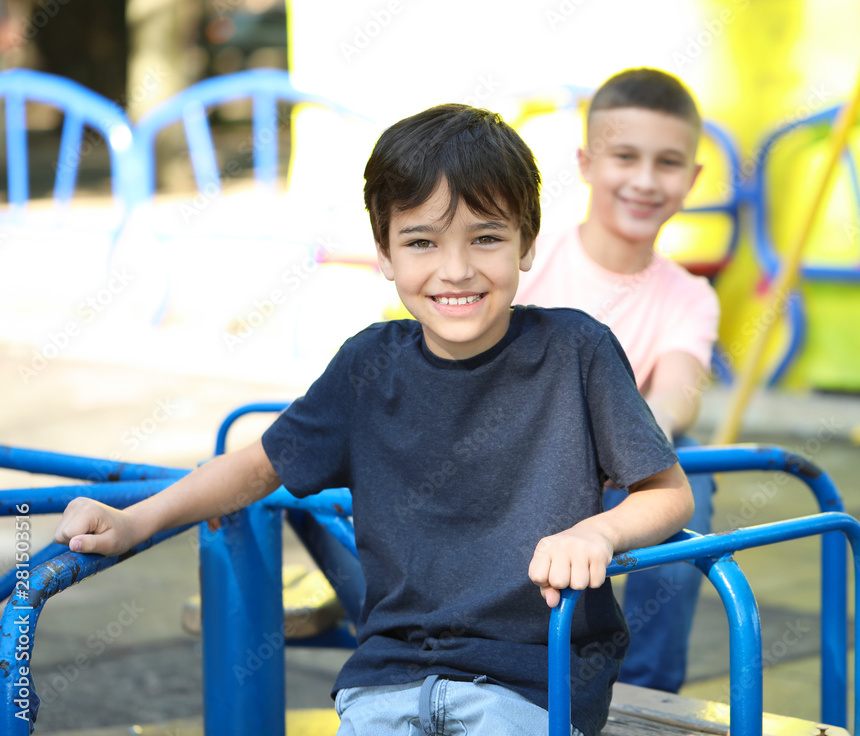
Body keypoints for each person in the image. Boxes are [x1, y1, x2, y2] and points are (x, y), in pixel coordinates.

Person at [54, 103, 694, 736]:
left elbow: (669, 494)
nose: (456, 269)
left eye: (487, 237)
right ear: (385, 254)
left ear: (527, 243)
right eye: (421, 242)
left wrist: (597, 535)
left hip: (533, 680)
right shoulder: (367, 366)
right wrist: (134, 521)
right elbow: (256, 466)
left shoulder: (576, 351)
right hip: (387, 680)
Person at [516, 68, 721, 694]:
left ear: (691, 180)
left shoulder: (688, 296)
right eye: (624, 156)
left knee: (695, 482)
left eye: (666, 163)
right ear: (585, 161)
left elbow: (676, 393)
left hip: (612, 472)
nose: (643, 180)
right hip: (511, 463)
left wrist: (624, 447)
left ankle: (646, 696)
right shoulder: (529, 257)